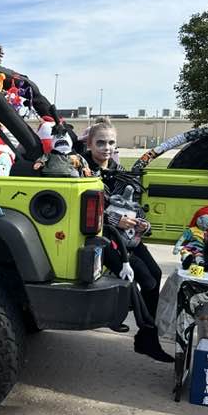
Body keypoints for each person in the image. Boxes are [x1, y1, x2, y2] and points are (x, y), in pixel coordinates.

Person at [82, 117, 173, 363]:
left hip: (129, 237)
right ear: (89, 144)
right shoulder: (82, 171)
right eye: (100, 142)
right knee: (143, 276)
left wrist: (143, 225)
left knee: (154, 276)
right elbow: (81, 209)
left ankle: (147, 338)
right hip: (101, 237)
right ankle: (124, 318)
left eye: (111, 142)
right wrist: (113, 220)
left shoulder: (121, 172)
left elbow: (133, 207)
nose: (107, 147)